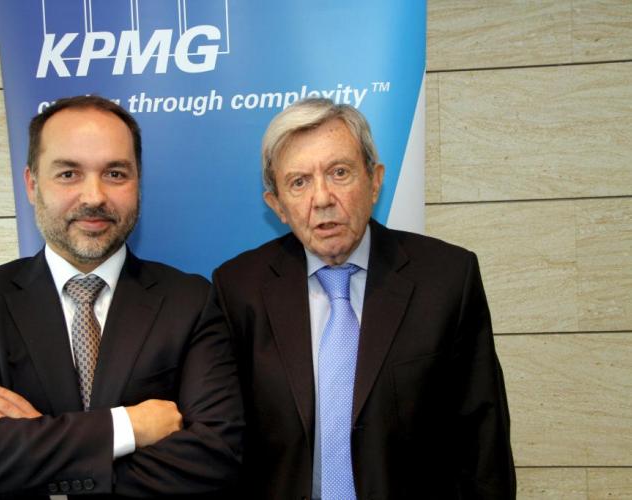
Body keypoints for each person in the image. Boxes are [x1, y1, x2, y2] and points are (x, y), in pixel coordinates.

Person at [0, 95, 243, 499]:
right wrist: (127, 427)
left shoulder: (190, 302)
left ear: (138, 183)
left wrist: (34, 443)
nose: (94, 196)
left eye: (115, 173)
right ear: (31, 184)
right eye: (68, 174)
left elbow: (216, 458)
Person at [210, 98, 515, 499]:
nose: (322, 198)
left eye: (339, 173)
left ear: (375, 181)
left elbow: (483, 445)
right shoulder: (238, 288)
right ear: (277, 205)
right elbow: (225, 443)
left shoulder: (447, 279)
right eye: (299, 182)